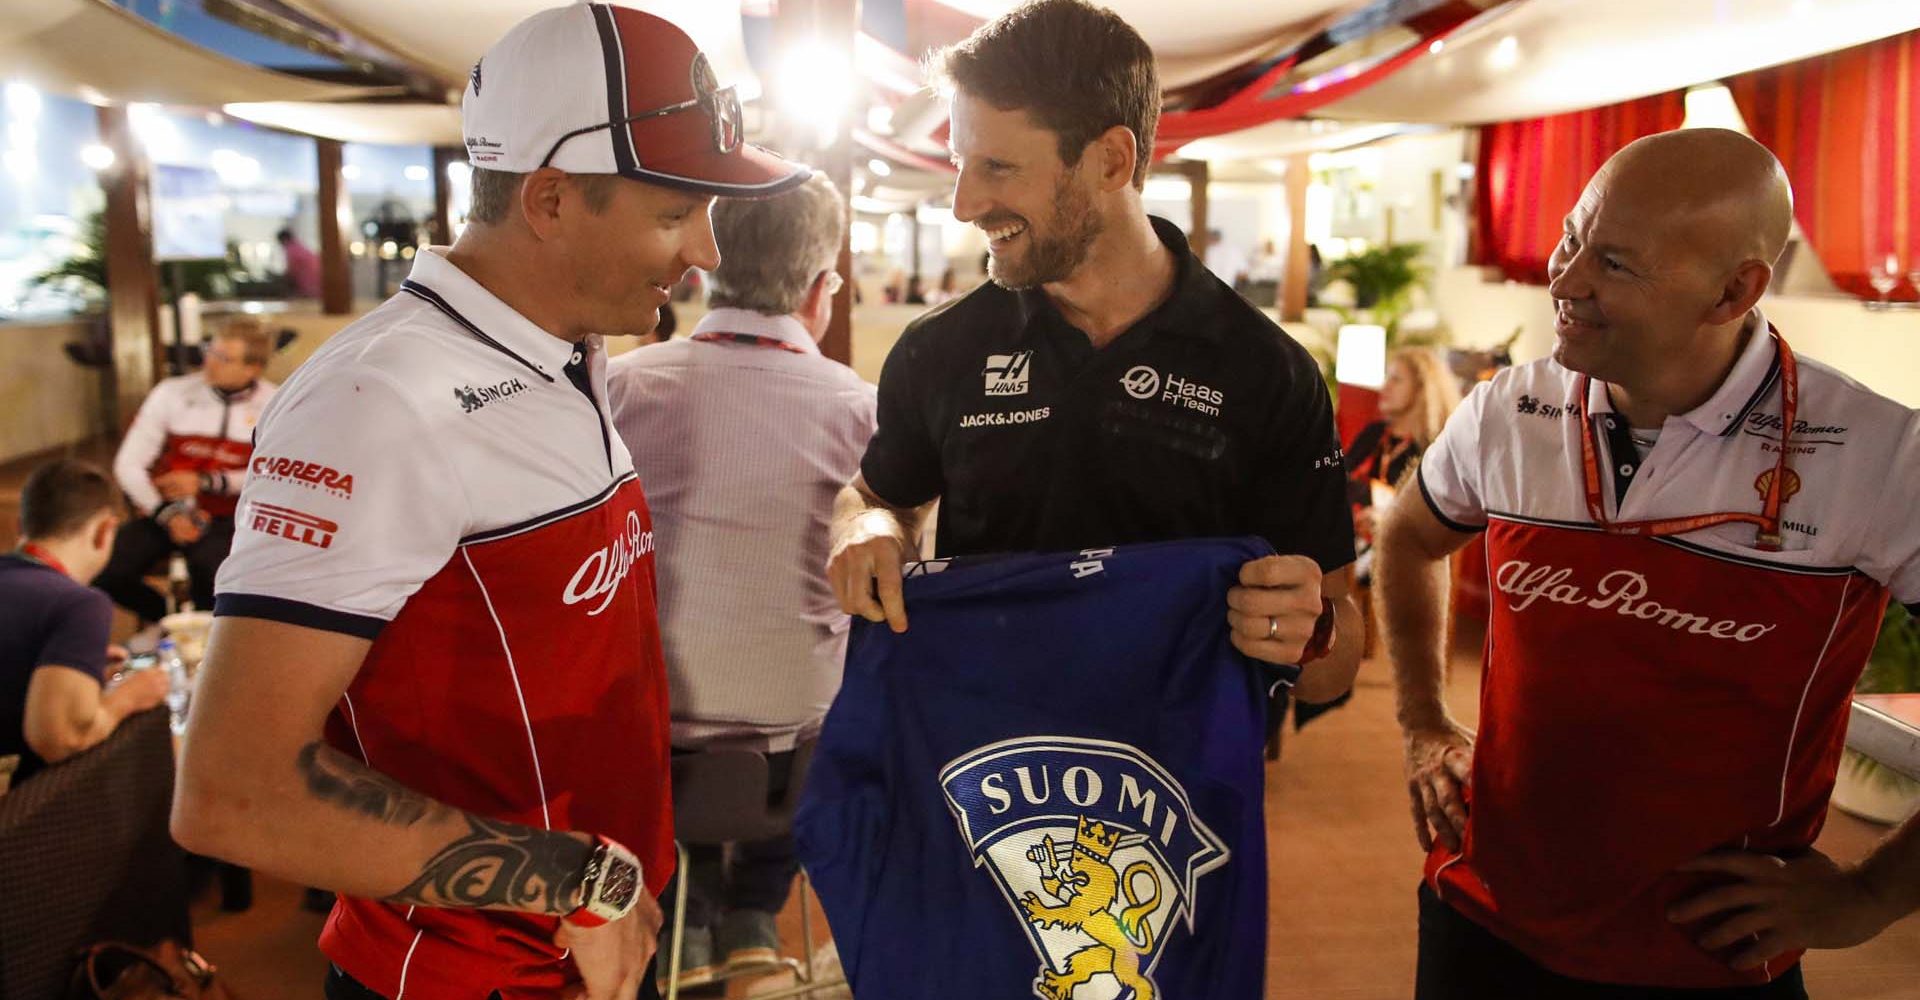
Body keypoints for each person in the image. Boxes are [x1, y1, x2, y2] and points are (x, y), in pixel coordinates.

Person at [169, 7, 809, 1000]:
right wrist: (574, 881)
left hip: (592, 934)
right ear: (551, 198)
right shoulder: (377, 401)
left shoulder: (565, 347)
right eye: (674, 211)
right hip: (471, 970)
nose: (703, 252)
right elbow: (232, 792)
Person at [1375, 127, 1920, 999]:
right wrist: (1422, 724)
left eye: (1616, 265)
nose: (1565, 278)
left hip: (1705, 955)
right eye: (1569, 236)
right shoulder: (1506, 411)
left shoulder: (1879, 455)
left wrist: (1869, 896)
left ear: (1734, 290)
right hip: (1481, 913)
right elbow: (1408, 536)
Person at [827, 0, 1362, 712]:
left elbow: (1334, 652)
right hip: (980, 781)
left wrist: (1308, 632)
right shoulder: (942, 348)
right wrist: (862, 529)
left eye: (996, 166)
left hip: (1172, 797)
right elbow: (874, 498)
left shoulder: (1266, 372)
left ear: (1111, 160)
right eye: (960, 163)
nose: (962, 202)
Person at [607, 172, 874, 988]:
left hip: (642, 760)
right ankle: (755, 906)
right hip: (795, 763)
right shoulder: (866, 411)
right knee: (840, 674)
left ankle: (680, 900)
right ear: (823, 290)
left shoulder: (619, 388)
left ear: (701, 268)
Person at [2, 459, 170, 791]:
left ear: (21, 526)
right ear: (105, 531)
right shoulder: (79, 603)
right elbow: (60, 739)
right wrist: (128, 698)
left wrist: (74, 665)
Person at [97, 318, 275, 623]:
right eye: (210, 351)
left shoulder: (275, 403)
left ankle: (207, 639)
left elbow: (274, 474)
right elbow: (127, 464)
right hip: (165, 511)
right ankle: (167, 619)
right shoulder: (172, 393)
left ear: (253, 368)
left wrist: (209, 481)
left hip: (231, 517)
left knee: (213, 573)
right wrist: (168, 513)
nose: (210, 362)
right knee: (104, 567)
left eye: (224, 358)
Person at [1347, 347, 1461, 547]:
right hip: (1354, 542)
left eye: (1396, 379)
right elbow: (1339, 478)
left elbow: (1435, 517)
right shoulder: (1374, 433)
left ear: (1422, 388)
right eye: (1387, 378)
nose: (1385, 387)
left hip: (1403, 547)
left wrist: (1388, 519)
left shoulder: (1435, 447)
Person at [279, 228, 322, 298]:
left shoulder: (291, 250)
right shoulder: (301, 247)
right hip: (318, 284)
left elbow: (291, 271)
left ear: (283, 239)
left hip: (309, 286)